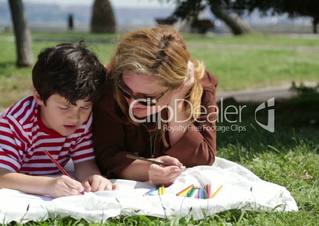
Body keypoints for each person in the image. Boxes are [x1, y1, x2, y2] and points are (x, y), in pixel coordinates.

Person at [93, 26, 218, 186]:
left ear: (177, 85)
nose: (132, 103)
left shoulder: (201, 87)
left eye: (147, 98)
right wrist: (148, 169)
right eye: (126, 89)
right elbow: (107, 156)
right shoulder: (109, 86)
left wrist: (176, 104)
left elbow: (202, 158)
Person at [0, 42, 115, 198]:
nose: (75, 117)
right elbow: (3, 176)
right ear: (39, 96)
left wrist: (92, 178)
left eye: (84, 107)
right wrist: (48, 185)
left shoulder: (83, 120)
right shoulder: (15, 124)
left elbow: (84, 161)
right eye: (64, 107)